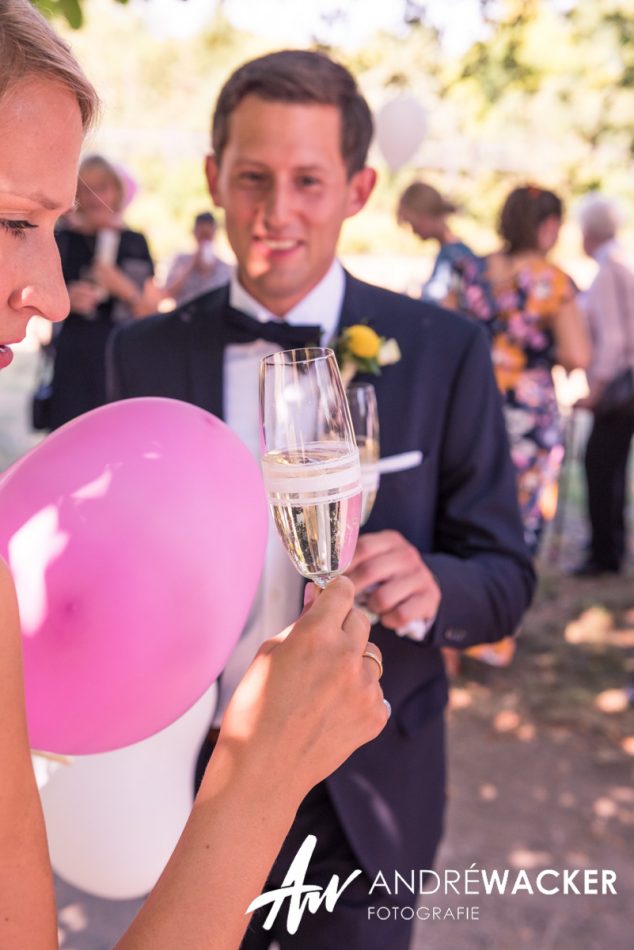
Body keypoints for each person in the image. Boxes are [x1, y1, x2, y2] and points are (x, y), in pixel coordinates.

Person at [108, 50, 536, 949]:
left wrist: (435, 587)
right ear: (213, 178)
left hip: (365, 792)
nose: (276, 212)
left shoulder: (446, 348)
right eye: (253, 178)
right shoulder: (140, 358)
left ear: (359, 187)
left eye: (308, 180)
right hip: (188, 777)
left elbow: (504, 573)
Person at [0, 4, 388, 949]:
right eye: (13, 220)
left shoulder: (442, 347)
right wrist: (257, 776)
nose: (51, 294)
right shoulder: (142, 352)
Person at [444, 185, 591, 556]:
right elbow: (578, 355)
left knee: (472, 492)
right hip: (527, 410)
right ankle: (510, 576)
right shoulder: (550, 280)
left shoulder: (470, 269)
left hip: (471, 399)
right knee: (522, 505)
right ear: (549, 225)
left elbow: (442, 331)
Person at [46, 153, 154, 430]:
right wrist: (67, 299)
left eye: (102, 187)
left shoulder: (134, 242)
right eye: (86, 190)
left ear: (116, 191)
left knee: (117, 436)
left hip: (120, 356)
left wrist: (121, 286)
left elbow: (147, 311)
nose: (95, 198)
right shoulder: (63, 239)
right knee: (68, 438)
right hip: (74, 359)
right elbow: (41, 299)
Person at [573, 194, 634, 576]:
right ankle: (609, 547)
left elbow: (612, 341)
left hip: (620, 388)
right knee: (610, 466)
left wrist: (593, 392)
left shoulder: (609, 268)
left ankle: (604, 555)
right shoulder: (618, 262)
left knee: (600, 465)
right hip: (624, 386)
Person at [397, 179, 477, 307]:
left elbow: (448, 306)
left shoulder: (455, 256)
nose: (413, 231)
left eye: (412, 224)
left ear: (424, 217)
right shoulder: (450, 253)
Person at [162, 210, 232, 305]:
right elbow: (167, 294)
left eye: (207, 235)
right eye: (202, 235)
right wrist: (191, 265)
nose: (204, 240)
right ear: (194, 233)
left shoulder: (225, 268)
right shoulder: (180, 261)